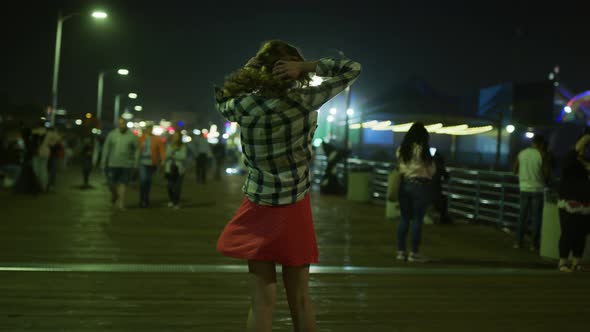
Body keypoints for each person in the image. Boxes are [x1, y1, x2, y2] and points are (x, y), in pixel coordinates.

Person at [215, 40, 361, 332]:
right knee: (301, 299)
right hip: (295, 204)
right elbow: (351, 69)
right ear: (292, 70)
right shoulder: (304, 99)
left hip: (257, 205)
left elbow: (223, 96)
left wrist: (253, 67)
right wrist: (306, 66)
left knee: (260, 302)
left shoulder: (243, 106)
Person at [395, 123, 436, 263]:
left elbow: (400, 168)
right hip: (421, 186)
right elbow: (432, 171)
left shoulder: (401, 150)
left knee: (404, 218)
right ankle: (414, 253)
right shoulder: (423, 149)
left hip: (405, 185)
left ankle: (400, 252)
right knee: (417, 220)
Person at [557, 134, 590, 272]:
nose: (583, 150)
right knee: (568, 232)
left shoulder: (586, 163)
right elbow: (575, 151)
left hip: (585, 204)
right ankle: (563, 262)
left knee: (581, 234)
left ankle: (576, 262)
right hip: (569, 203)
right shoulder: (569, 161)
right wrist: (587, 136)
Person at [513, 135, 550, 251]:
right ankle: (533, 244)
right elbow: (547, 173)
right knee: (536, 218)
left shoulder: (522, 153)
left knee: (522, 217)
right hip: (538, 189)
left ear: (532, 142)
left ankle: (518, 242)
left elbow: (514, 170)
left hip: (524, 188)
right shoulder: (542, 155)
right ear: (541, 144)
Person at [100, 117, 139, 210]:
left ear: (126, 124)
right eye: (119, 123)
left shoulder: (132, 136)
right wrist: (103, 161)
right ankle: (114, 195)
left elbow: (137, 149)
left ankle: (121, 204)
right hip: (112, 164)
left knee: (123, 184)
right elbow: (106, 148)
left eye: (123, 123)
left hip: (126, 164)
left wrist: (135, 162)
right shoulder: (112, 134)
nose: (121, 125)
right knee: (111, 183)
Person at [137, 123, 166, 207]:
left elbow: (161, 150)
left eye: (150, 128)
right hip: (142, 162)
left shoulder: (157, 139)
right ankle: (142, 200)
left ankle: (146, 199)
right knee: (143, 180)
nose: (149, 130)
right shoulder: (141, 138)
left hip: (152, 162)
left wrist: (163, 160)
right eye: (148, 128)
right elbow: (137, 149)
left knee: (148, 181)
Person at [164, 131, 188, 209]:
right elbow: (166, 156)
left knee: (177, 187)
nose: (175, 138)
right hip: (169, 168)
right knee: (170, 186)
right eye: (174, 136)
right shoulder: (169, 145)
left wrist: (173, 155)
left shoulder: (183, 146)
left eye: (177, 136)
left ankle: (176, 202)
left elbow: (183, 157)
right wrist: (173, 151)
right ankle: (171, 200)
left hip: (179, 169)